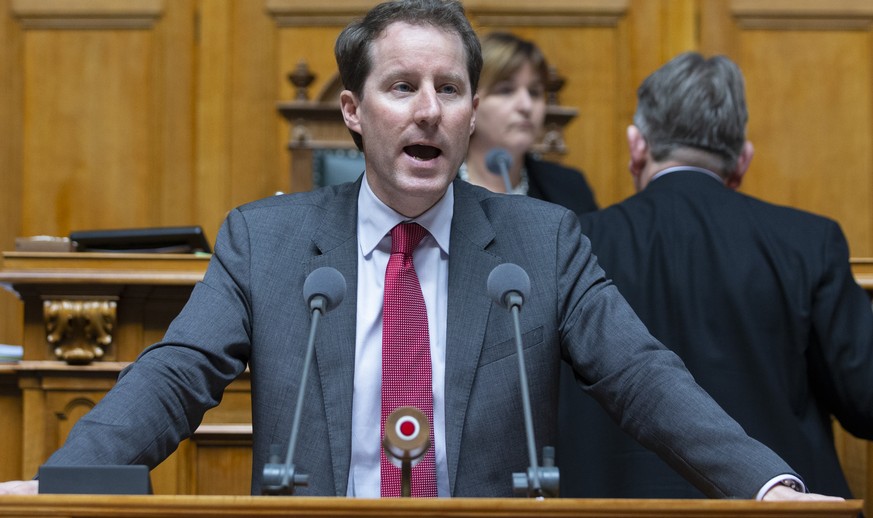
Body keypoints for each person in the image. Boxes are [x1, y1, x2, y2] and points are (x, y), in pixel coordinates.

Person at [0, 1, 840, 501]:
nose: (428, 110)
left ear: (471, 113)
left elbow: (640, 376)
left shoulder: (543, 241)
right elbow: (177, 374)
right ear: (354, 112)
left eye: (449, 88)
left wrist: (766, 484)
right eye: (402, 87)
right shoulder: (268, 240)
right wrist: (66, 480)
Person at [558, 51, 873, 499]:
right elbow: (866, 401)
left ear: (637, 146)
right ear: (742, 160)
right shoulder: (809, 242)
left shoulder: (572, 242)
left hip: (614, 507)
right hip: (783, 507)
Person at [460, 32, 597, 214]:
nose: (526, 105)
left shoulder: (569, 188)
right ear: (472, 102)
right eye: (506, 90)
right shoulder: (438, 185)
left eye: (534, 92)